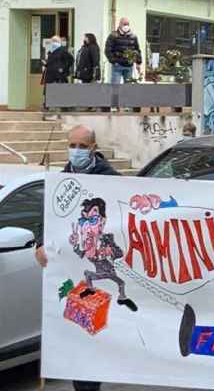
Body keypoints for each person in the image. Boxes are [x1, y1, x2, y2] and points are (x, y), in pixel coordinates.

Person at [36, 124, 122, 391]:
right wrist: (40, 243)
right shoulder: (60, 182)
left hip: (101, 266)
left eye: (82, 146)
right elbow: (47, 219)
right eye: (72, 145)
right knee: (79, 335)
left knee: (99, 335)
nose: (76, 151)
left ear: (93, 149)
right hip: (73, 270)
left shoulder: (112, 179)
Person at [105, 17, 141, 84]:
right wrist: (113, 61)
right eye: (124, 24)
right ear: (120, 24)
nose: (126, 26)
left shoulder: (133, 36)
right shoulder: (113, 35)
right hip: (117, 66)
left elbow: (137, 50)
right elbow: (108, 50)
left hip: (129, 66)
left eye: (127, 24)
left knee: (127, 89)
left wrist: (138, 63)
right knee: (115, 87)